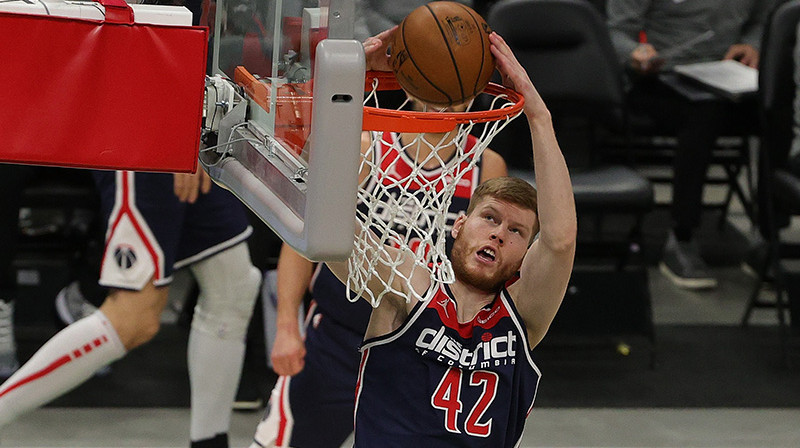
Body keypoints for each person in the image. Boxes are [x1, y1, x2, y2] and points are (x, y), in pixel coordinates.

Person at [249, 36, 509, 448]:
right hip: (338, 337)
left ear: (473, 92)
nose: (442, 97)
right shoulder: (367, 147)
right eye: (430, 80)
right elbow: (305, 238)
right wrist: (286, 326)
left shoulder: (486, 165)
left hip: (419, 349)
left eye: (453, 85)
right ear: (407, 85)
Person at [326, 30, 575, 446]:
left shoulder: (523, 315)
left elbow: (561, 239)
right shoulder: (405, 287)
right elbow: (325, 212)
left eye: (516, 231)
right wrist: (345, 85)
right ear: (458, 224)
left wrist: (538, 115)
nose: (499, 233)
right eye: (490, 218)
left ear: (523, 256)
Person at [0, 164, 262, 448]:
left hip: (194, 137)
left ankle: (209, 444)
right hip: (149, 138)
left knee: (233, 287)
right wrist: (175, 143)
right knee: (133, 318)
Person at [607, 0, 775, 289]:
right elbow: (616, 31)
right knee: (704, 113)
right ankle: (681, 237)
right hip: (660, 76)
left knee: (774, 111)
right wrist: (635, 53)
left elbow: (765, 18)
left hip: (727, 75)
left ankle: (768, 236)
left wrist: (751, 44)